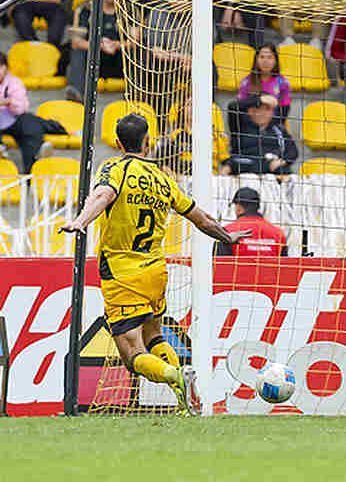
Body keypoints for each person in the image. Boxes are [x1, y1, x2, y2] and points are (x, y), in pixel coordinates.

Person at [58, 113, 249, 416]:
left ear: (118, 142)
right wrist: (227, 236)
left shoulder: (115, 169)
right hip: (156, 271)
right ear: (147, 142)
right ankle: (184, 399)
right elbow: (200, 218)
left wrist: (80, 221)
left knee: (132, 354)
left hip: (122, 272)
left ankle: (174, 374)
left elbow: (103, 194)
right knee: (154, 335)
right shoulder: (163, 179)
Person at [67, 0, 124, 102]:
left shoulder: (128, 11)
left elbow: (135, 41)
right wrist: (99, 46)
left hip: (118, 59)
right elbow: (75, 42)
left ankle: (137, 97)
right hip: (93, 62)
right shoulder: (86, 9)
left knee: (138, 53)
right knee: (78, 51)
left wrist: (116, 45)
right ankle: (76, 96)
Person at [223, 93, 298, 176]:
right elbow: (232, 107)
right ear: (250, 111)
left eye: (267, 109)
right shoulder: (240, 126)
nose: (263, 113)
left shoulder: (278, 129)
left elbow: (293, 151)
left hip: (272, 172)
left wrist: (282, 161)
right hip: (244, 170)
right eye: (258, 109)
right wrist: (260, 99)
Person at [0, 52, 50, 173]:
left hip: (12, 119)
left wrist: (7, 101)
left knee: (29, 124)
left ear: (5, 68)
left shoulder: (14, 83)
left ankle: (34, 160)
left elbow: (21, 108)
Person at [215, 187, 288, 257]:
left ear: (238, 207)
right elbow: (284, 263)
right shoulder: (279, 234)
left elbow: (219, 263)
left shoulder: (227, 232)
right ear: (258, 206)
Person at [238, 44, 291, 122]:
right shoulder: (246, 82)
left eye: (269, 57)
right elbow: (239, 106)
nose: (265, 61)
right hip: (250, 124)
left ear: (275, 61)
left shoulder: (283, 82)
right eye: (262, 57)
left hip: (273, 125)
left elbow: (284, 111)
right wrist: (260, 100)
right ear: (256, 60)